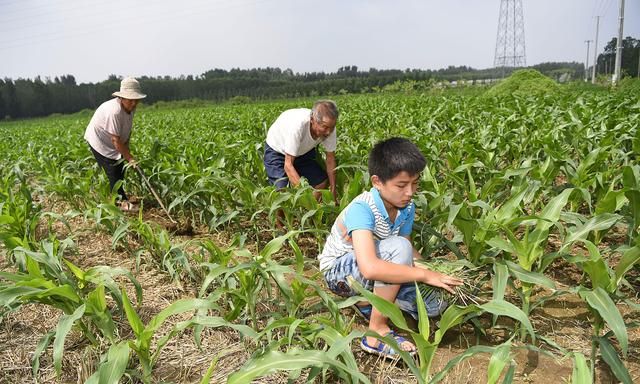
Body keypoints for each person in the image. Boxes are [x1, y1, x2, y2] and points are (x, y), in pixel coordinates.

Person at [319, 137, 463, 358]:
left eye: (415, 183)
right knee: (398, 249)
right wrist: (424, 274)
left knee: (435, 305)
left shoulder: (406, 207)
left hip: (377, 264)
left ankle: (369, 302)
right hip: (340, 271)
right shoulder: (362, 208)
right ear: (377, 181)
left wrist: (436, 272)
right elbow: (370, 267)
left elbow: (407, 247)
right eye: (401, 185)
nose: (410, 192)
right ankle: (375, 333)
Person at [84, 77, 146, 211]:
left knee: (120, 167)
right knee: (112, 169)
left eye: (136, 100)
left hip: (113, 140)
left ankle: (119, 197)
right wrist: (131, 158)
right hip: (99, 140)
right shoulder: (115, 111)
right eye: (131, 100)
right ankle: (120, 203)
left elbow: (127, 130)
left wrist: (127, 152)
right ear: (122, 98)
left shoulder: (130, 108)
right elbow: (115, 141)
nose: (134, 103)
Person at [263, 100, 339, 202]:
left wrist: (333, 191)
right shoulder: (297, 126)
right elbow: (288, 165)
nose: (328, 132)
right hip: (277, 151)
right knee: (282, 192)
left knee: (320, 182)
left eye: (332, 127)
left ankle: (310, 213)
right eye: (324, 127)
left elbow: (330, 159)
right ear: (312, 119)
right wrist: (305, 194)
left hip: (303, 151)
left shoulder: (329, 128)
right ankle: (281, 217)